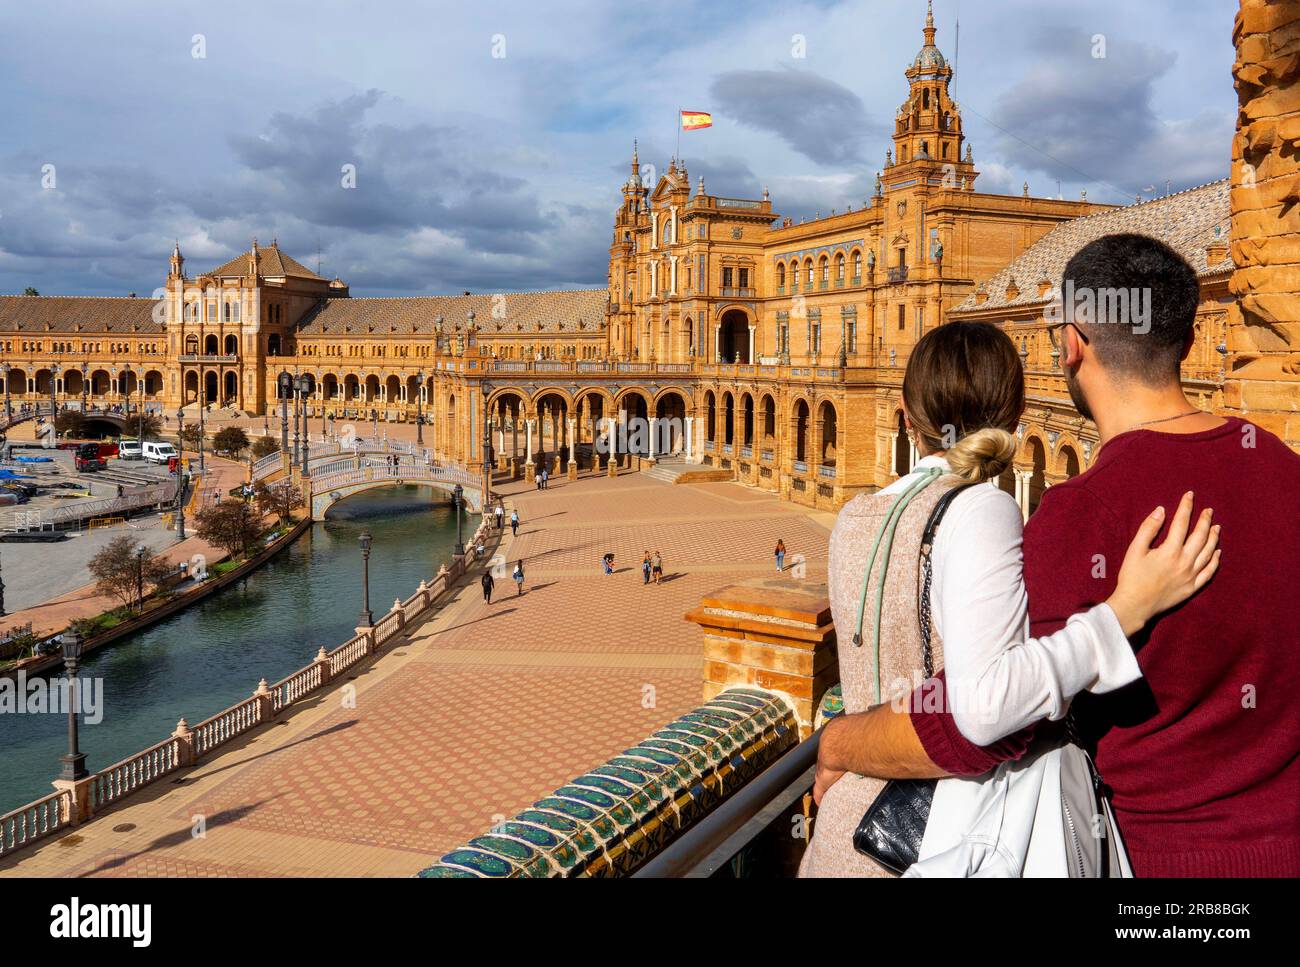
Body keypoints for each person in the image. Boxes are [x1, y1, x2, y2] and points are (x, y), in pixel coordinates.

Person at [801, 305, 1223, 878]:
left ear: (904, 415)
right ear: (1017, 417)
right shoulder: (984, 508)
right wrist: (1123, 613)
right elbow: (988, 705)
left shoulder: (853, 517)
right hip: (927, 842)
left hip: (840, 829)